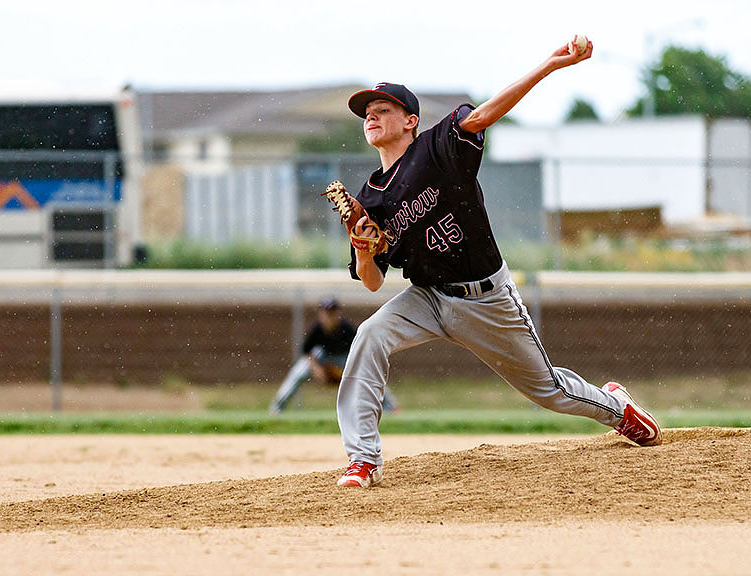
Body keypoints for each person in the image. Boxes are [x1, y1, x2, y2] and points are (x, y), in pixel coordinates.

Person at [334, 39, 662, 488]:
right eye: (366, 111)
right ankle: (363, 459)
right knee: (369, 335)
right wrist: (362, 246)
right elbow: (371, 283)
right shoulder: (369, 199)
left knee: (549, 391)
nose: (371, 115)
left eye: (383, 108)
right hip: (427, 298)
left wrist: (549, 65)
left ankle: (617, 408)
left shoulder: (437, 148)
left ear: (410, 121)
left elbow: (486, 114)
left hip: (485, 298)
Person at [269, 297, 399, 415]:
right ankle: (276, 409)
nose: (329, 315)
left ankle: (390, 407)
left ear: (338, 313)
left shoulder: (346, 328)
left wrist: (349, 372)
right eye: (326, 312)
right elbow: (307, 352)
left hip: (345, 357)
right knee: (298, 372)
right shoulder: (317, 329)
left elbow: (359, 350)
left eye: (332, 312)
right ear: (320, 314)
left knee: (368, 373)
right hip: (323, 357)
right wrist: (317, 370)